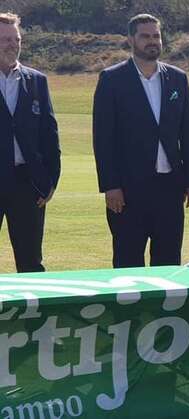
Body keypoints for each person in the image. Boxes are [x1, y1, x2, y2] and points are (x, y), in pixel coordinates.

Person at [92, 13, 189, 268]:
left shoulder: (177, 78)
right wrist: (110, 185)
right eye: (145, 36)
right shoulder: (111, 79)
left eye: (156, 36)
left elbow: (188, 132)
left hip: (170, 189)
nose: (152, 41)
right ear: (131, 39)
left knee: (168, 263)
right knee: (128, 263)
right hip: (128, 191)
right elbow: (103, 137)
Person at [0, 12, 60, 273]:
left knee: (31, 263)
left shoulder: (37, 81)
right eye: (5, 39)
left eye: (16, 39)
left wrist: (50, 181)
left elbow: (50, 134)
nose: (12, 45)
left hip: (28, 185)